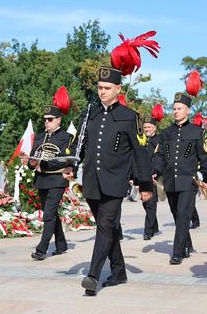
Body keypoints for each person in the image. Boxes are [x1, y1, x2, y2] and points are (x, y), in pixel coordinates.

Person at [72, 31, 157, 296]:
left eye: (107, 88)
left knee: (106, 226)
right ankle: (119, 271)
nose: (102, 92)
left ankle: (93, 275)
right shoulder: (91, 112)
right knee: (106, 228)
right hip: (92, 182)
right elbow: (82, 143)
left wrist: (145, 184)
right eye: (99, 88)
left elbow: (141, 152)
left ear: (118, 89)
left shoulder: (129, 116)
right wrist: (71, 168)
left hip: (115, 181)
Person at [153, 92, 207, 265]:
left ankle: (177, 253)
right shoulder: (165, 133)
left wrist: (205, 177)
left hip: (189, 181)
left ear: (188, 110)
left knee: (183, 215)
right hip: (170, 181)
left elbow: (204, 157)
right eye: (174, 108)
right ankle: (187, 244)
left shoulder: (197, 132)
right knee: (177, 215)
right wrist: (156, 171)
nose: (176, 111)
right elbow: (160, 156)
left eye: (180, 108)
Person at [23, 87, 73, 260]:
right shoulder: (39, 138)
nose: (47, 122)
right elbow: (32, 161)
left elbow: (67, 159)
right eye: (45, 120)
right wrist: (31, 162)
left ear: (58, 120)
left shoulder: (66, 137)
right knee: (50, 212)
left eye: (50, 120)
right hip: (42, 179)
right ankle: (61, 244)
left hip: (57, 179)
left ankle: (41, 249)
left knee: (49, 214)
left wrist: (45, 162)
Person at [141, 108, 162, 240]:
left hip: (154, 176)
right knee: (145, 203)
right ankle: (154, 226)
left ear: (154, 127)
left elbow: (160, 159)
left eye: (149, 127)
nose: (147, 129)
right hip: (142, 176)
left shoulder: (159, 140)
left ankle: (148, 231)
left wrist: (156, 172)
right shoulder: (141, 140)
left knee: (150, 203)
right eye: (145, 127)